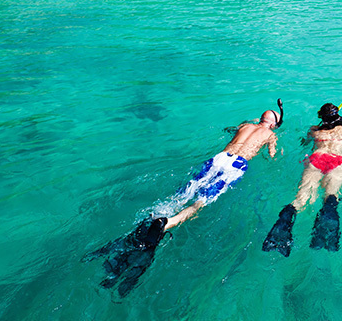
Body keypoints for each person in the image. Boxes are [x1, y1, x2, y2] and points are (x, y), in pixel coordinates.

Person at [87, 100, 283, 296]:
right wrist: (277, 152)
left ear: (260, 118)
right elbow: (272, 157)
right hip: (235, 166)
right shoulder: (271, 135)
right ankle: (167, 223)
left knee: (186, 191)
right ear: (274, 124)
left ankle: (159, 213)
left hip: (220, 158)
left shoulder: (245, 125)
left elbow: (232, 129)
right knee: (200, 203)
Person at [262, 102, 342, 256]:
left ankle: (284, 223)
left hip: (316, 160)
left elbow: (304, 142)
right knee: (331, 198)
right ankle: (326, 224)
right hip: (336, 161)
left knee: (301, 200)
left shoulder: (314, 130)